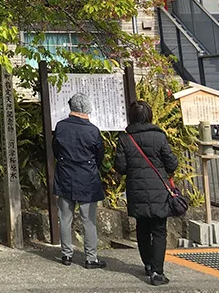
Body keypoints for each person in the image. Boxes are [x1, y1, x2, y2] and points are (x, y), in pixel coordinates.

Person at [114, 99, 180, 287]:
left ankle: (148, 265)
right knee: (159, 230)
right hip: (159, 189)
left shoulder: (125, 138)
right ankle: (158, 272)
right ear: (149, 115)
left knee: (142, 229)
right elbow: (172, 163)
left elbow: (121, 166)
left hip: (137, 190)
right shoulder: (159, 137)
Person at [52, 92, 107, 269]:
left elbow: (56, 150)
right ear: (86, 108)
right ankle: (91, 258)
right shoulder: (92, 130)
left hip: (65, 174)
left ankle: (66, 255)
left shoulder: (60, 127)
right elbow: (100, 155)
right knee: (88, 220)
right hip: (87, 178)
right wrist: (91, 167)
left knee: (65, 217)